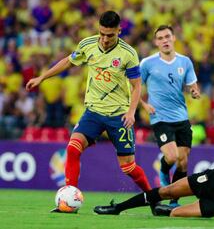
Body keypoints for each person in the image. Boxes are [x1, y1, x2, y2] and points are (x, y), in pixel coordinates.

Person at [26, 11, 153, 210]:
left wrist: (130, 112)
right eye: (101, 33)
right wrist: (42, 78)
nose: (104, 39)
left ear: (119, 31)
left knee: (128, 167)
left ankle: (152, 198)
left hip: (118, 115)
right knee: (72, 148)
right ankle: (68, 200)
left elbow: (136, 86)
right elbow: (68, 61)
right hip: (93, 112)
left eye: (110, 35)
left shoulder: (128, 53)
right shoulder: (88, 44)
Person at [139, 25, 200, 206]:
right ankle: (164, 172)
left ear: (173, 38)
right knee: (172, 157)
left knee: (183, 162)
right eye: (160, 38)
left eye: (167, 36)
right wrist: (144, 105)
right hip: (160, 117)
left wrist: (194, 92)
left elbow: (192, 85)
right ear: (156, 42)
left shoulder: (185, 62)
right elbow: (132, 87)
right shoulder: (147, 63)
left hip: (181, 117)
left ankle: (174, 199)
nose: (164, 40)